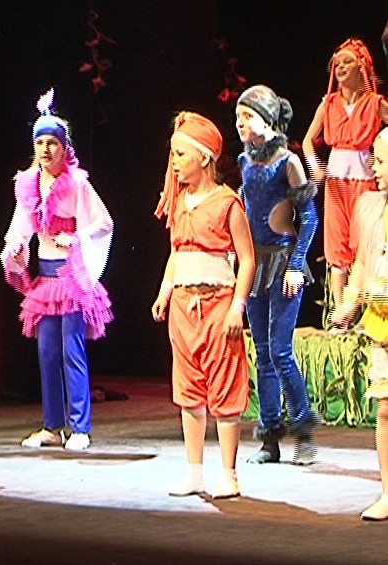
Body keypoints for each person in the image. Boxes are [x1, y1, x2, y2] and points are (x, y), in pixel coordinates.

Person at [1, 88, 113, 452]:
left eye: (52, 143)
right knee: (47, 353)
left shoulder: (77, 184)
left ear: (65, 148)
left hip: (71, 276)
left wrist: (76, 239)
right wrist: (16, 247)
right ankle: (52, 425)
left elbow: (103, 223)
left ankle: (80, 427)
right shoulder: (28, 183)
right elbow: (20, 227)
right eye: (40, 143)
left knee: (71, 351)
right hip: (46, 279)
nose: (46, 149)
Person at [152, 111, 254, 498]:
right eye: (173, 154)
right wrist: (165, 291)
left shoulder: (227, 203)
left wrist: (237, 307)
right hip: (183, 306)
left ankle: (228, 474)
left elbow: (247, 258)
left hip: (217, 304)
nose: (174, 162)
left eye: (181, 154)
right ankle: (194, 472)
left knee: (224, 387)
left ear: (205, 157)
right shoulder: (179, 202)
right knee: (188, 389)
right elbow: (176, 252)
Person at [236, 85, 319, 464]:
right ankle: (269, 438)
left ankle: (304, 434)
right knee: (263, 353)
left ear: (268, 120)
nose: (240, 123)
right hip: (255, 264)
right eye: (238, 117)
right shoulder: (244, 161)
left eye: (248, 116)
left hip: (283, 263)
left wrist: (297, 264)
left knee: (281, 351)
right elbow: (246, 210)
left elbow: (310, 217)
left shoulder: (288, 162)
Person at [302, 38, 388, 325]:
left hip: (366, 184)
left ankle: (366, 315)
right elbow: (308, 141)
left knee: (366, 245)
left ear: (362, 66)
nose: (339, 68)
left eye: (346, 62)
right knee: (337, 246)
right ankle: (340, 317)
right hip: (336, 186)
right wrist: (316, 167)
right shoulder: (328, 105)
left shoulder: (375, 104)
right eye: (336, 63)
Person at [331, 127, 388, 520]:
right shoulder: (371, 210)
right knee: (385, 409)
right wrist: (349, 304)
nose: (374, 167)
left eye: (381, 160)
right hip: (383, 324)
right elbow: (362, 265)